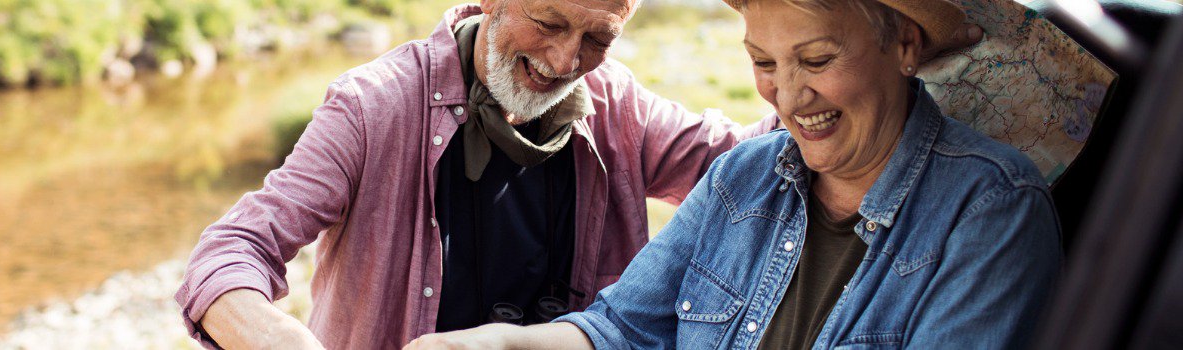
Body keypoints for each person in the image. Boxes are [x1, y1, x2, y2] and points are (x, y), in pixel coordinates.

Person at [404, 0, 1061, 349]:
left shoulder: (990, 211)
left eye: (818, 58)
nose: (790, 97)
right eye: (765, 62)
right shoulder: (742, 178)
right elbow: (623, 332)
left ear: (906, 46)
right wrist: (495, 347)